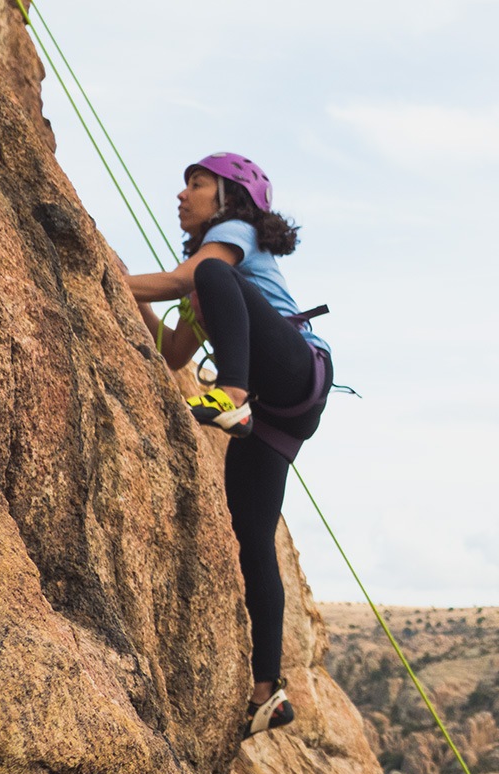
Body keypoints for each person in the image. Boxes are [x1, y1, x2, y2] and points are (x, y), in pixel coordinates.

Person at [128, 152, 332, 739]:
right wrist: (134, 298)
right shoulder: (208, 279)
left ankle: (233, 395)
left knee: (210, 274)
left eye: (197, 184)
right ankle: (268, 691)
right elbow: (173, 355)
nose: (183, 194)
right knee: (251, 538)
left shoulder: (231, 238)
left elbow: (188, 278)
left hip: (291, 372)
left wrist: (106, 271)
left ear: (230, 197)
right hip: (284, 411)